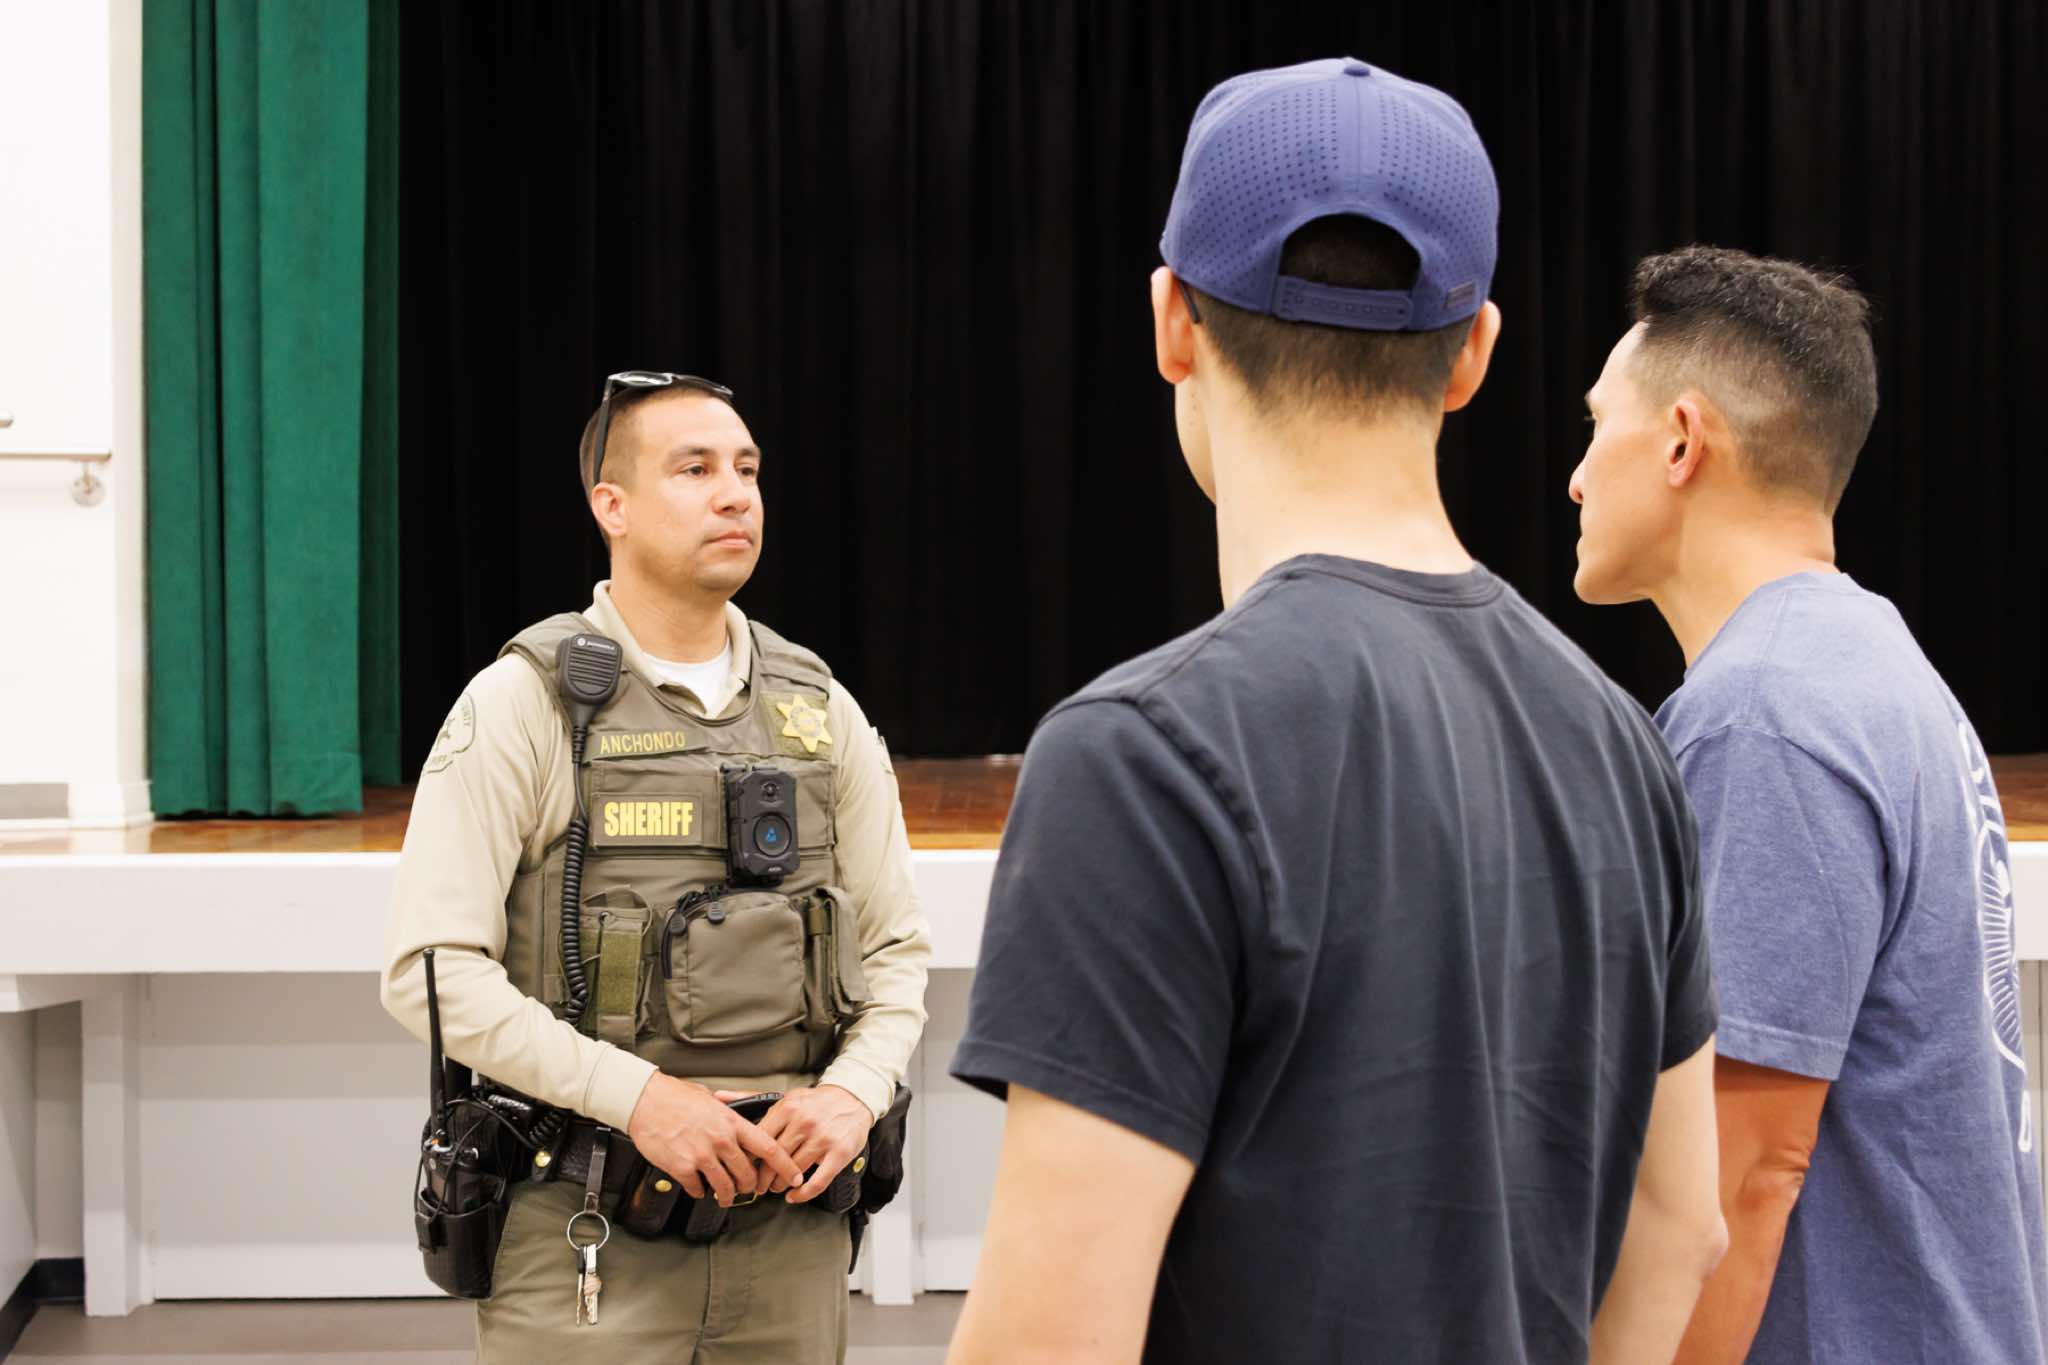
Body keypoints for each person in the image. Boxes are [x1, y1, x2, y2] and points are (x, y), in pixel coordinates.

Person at [946, 57, 1726, 1365]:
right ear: (1473, 353)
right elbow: (1681, 1223)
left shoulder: (1139, 758)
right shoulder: (1620, 742)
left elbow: (1050, 1341)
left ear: (1171, 322)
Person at [382, 371, 931, 1363]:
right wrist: (642, 1099)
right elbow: (432, 973)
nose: (735, 495)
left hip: (793, 1244)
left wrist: (854, 1093)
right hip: (586, 1236)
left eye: (747, 470)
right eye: (695, 469)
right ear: (613, 506)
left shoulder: (820, 710)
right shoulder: (525, 703)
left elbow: (896, 952)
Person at [1570, 245, 2048, 1364]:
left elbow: (1737, 1179)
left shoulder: (1763, 715)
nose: (1578, 477)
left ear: (1682, 441)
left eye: (1596, 426)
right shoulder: (1869, 662)